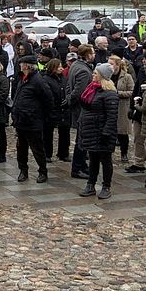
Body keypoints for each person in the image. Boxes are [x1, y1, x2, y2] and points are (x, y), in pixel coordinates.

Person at [78, 63, 119, 199]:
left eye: (95, 73)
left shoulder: (110, 94)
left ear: (102, 76)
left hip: (103, 132)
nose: (93, 75)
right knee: (93, 159)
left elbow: (112, 116)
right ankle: (91, 185)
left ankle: (106, 186)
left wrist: (106, 132)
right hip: (91, 130)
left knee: (105, 160)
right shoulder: (92, 89)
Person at [11, 54, 53, 183]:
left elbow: (48, 100)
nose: (20, 66)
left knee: (37, 148)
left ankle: (42, 171)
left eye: (22, 64)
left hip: (33, 120)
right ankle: (23, 170)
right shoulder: (22, 78)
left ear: (27, 66)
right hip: (21, 120)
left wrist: (41, 116)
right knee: (21, 148)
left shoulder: (38, 81)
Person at [66, 44, 95, 179]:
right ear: (87, 54)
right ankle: (77, 168)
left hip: (77, 107)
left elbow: (68, 86)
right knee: (82, 140)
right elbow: (79, 92)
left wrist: (68, 98)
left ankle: (82, 165)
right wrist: (70, 100)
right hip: (81, 109)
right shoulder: (83, 70)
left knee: (82, 138)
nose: (94, 55)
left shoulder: (75, 65)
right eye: (92, 53)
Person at [42, 58, 71, 162]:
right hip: (52, 109)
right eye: (58, 67)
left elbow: (68, 89)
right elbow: (47, 94)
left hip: (63, 109)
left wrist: (67, 99)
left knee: (64, 132)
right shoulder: (46, 79)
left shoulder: (63, 78)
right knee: (48, 133)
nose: (61, 69)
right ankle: (47, 154)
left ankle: (63, 153)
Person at [108, 55, 134, 163]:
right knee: (110, 131)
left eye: (112, 64)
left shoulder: (127, 76)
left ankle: (124, 153)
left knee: (122, 132)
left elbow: (132, 91)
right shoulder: (107, 75)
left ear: (117, 65)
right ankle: (108, 152)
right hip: (109, 106)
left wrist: (118, 93)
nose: (109, 66)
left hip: (122, 106)